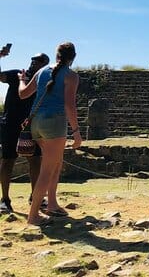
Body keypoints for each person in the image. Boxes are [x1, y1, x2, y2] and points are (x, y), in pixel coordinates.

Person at [18, 42, 82, 226]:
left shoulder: (41, 71)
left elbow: (23, 94)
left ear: (57, 55)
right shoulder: (71, 76)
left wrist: (22, 79)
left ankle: (52, 204)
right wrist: (76, 132)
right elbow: (69, 105)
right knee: (47, 170)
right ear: (73, 57)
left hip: (36, 122)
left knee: (56, 162)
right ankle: (33, 216)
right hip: (54, 123)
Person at [0, 49, 50, 213]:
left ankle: (35, 197)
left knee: (35, 161)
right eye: (33, 59)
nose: (34, 62)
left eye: (39, 61)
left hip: (32, 125)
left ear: (44, 65)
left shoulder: (44, 81)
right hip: (10, 124)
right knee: (8, 160)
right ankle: (5, 200)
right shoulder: (17, 75)